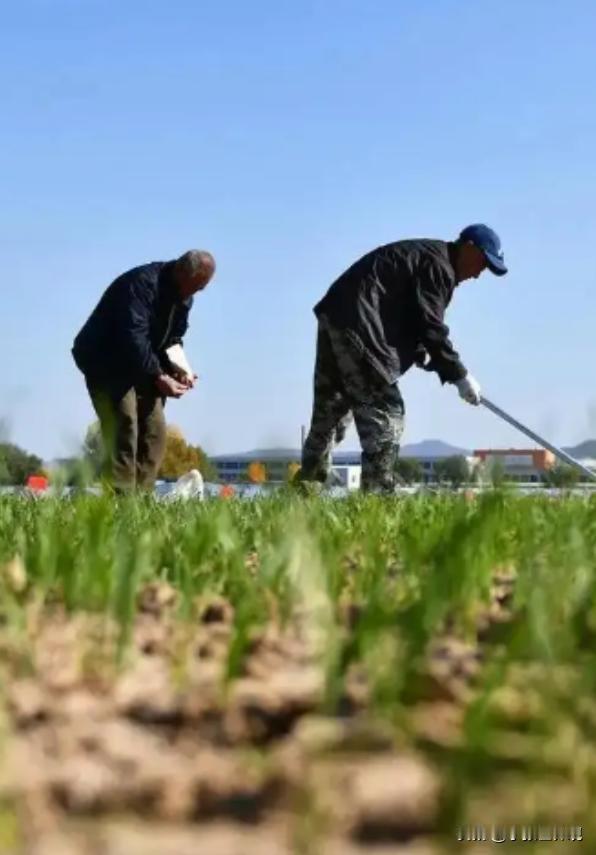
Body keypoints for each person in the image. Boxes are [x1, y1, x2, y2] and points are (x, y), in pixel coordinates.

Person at [296, 224, 507, 493]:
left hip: (337, 316)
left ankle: (304, 492)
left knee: (330, 410)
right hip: (360, 325)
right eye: (482, 263)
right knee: (387, 414)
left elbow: (410, 313)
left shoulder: (430, 258)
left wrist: (420, 352)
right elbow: (430, 326)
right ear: (469, 248)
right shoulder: (439, 267)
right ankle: (378, 497)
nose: (479, 274)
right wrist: (459, 374)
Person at [72, 250, 215, 492]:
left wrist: (178, 369)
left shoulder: (184, 298)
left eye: (201, 288)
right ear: (181, 272)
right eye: (195, 286)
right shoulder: (141, 285)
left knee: (155, 430)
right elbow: (133, 337)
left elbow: (173, 337)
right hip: (106, 361)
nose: (196, 293)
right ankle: (121, 499)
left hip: (142, 364)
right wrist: (159, 376)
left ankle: (142, 498)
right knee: (124, 425)